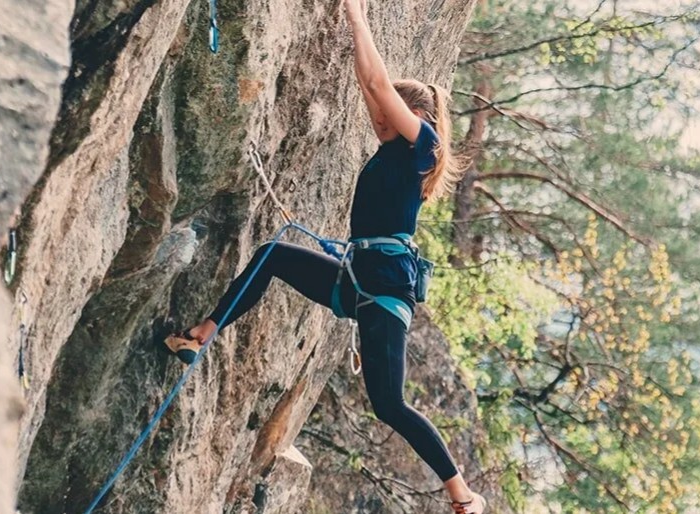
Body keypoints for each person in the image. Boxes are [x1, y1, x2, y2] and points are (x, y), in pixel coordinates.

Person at [164, 0, 488, 511]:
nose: (376, 118)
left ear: (416, 117)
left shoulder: (422, 144)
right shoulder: (391, 151)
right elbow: (370, 86)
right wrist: (351, 29)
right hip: (356, 277)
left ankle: (461, 494)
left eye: (388, 115)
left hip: (383, 288)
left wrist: (359, 18)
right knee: (272, 255)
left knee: (389, 405)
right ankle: (201, 335)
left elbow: (380, 88)